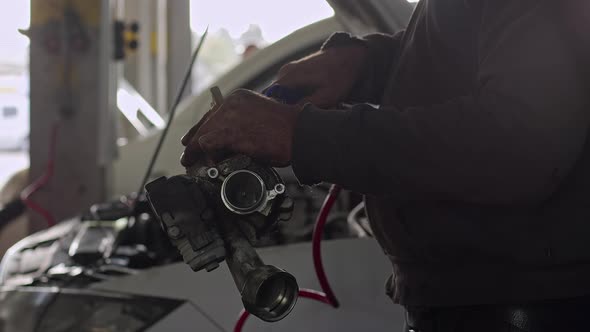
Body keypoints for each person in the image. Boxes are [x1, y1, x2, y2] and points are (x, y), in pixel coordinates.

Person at [181, 1, 590, 331]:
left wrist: (304, 135)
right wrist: (368, 62)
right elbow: (464, 52)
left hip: (523, 308)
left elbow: (520, 147)